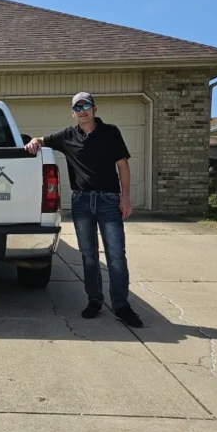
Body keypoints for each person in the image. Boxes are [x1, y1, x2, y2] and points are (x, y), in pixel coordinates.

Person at [24, 92, 144, 328]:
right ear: (73, 113)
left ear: (94, 109)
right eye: (78, 108)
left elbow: (123, 165)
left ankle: (121, 306)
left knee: (116, 256)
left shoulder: (111, 133)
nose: (82, 111)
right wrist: (34, 142)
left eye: (86, 106)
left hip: (109, 201)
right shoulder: (67, 136)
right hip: (81, 203)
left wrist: (126, 198)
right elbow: (41, 140)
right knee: (89, 257)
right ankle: (94, 300)